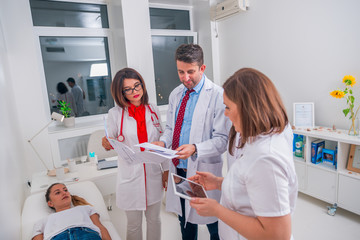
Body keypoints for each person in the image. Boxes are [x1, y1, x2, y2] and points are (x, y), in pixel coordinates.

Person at [189, 68, 298, 240]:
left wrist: (216, 210)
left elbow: (276, 235)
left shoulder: (266, 158)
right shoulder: (258, 139)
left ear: (248, 109)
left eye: (228, 107)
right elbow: (253, 186)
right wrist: (218, 183)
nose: (225, 113)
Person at [152, 44, 229, 240]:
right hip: (179, 168)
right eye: (180, 72)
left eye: (190, 72)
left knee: (213, 221)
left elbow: (222, 140)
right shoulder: (176, 94)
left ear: (202, 68)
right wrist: (162, 142)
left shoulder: (218, 95)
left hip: (203, 170)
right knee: (184, 218)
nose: (185, 77)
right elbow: (170, 129)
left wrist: (195, 148)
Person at [101, 68, 167, 240]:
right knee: (133, 224)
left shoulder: (153, 110)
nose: (135, 92)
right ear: (120, 92)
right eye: (128, 89)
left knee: (154, 220)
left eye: (137, 86)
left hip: (153, 172)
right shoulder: (115, 114)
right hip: (130, 177)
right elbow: (111, 139)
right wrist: (107, 142)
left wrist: (166, 170)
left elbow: (162, 141)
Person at [32, 183, 111, 240]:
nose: (64, 193)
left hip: (86, 234)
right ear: (50, 203)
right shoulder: (42, 221)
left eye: (65, 190)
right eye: (58, 192)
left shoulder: (86, 208)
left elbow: (100, 226)